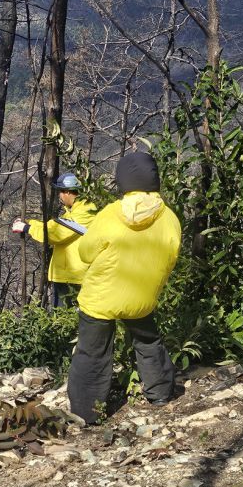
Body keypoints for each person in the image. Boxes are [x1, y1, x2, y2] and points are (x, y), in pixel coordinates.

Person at [69, 152, 180, 424]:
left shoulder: (111, 214)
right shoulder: (170, 218)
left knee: (92, 352)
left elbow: (85, 252)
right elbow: (171, 258)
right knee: (149, 341)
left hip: (101, 297)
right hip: (141, 296)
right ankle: (161, 393)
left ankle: (87, 413)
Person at [12, 172, 97, 308]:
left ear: (68, 192)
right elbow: (52, 226)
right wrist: (29, 223)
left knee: (65, 319)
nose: (59, 196)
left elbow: (55, 235)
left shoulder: (84, 212)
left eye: (60, 192)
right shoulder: (74, 211)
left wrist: (27, 228)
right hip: (68, 275)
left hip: (75, 277)